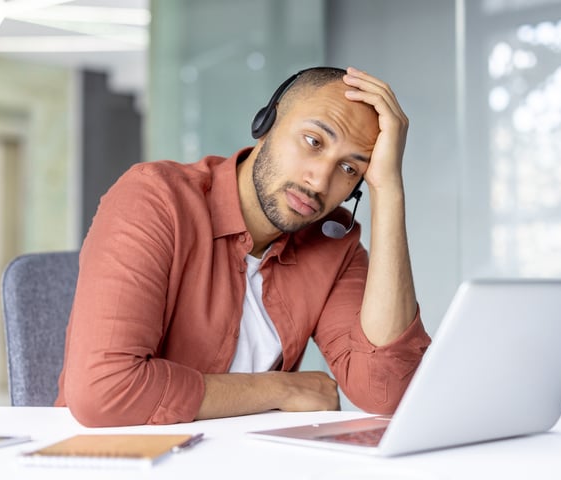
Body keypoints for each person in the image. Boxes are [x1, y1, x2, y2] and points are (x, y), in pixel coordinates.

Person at [55, 66, 431, 427]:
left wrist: (388, 190)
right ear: (266, 124)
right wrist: (278, 389)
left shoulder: (334, 247)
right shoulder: (154, 198)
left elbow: (385, 390)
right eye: (313, 142)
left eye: (350, 169)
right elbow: (103, 390)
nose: (319, 181)